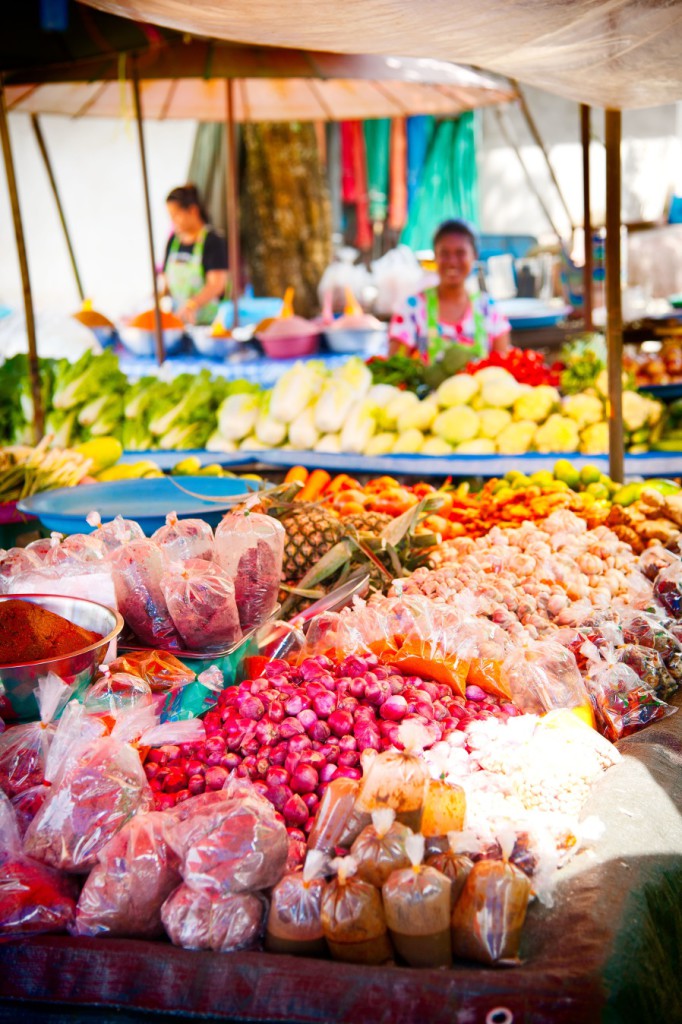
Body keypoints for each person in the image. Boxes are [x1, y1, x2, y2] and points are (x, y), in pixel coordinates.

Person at [389, 219, 511, 364]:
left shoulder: (489, 309)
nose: (452, 262)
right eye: (444, 253)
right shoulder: (411, 308)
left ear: (474, 256)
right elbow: (395, 366)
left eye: (460, 253)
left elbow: (504, 368)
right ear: (435, 256)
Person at [160, 184, 228, 325]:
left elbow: (217, 285)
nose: (172, 221)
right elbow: (165, 282)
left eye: (176, 215)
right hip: (178, 321)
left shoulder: (213, 241)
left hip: (209, 324)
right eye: (170, 216)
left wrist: (192, 304)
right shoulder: (173, 241)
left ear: (193, 211)